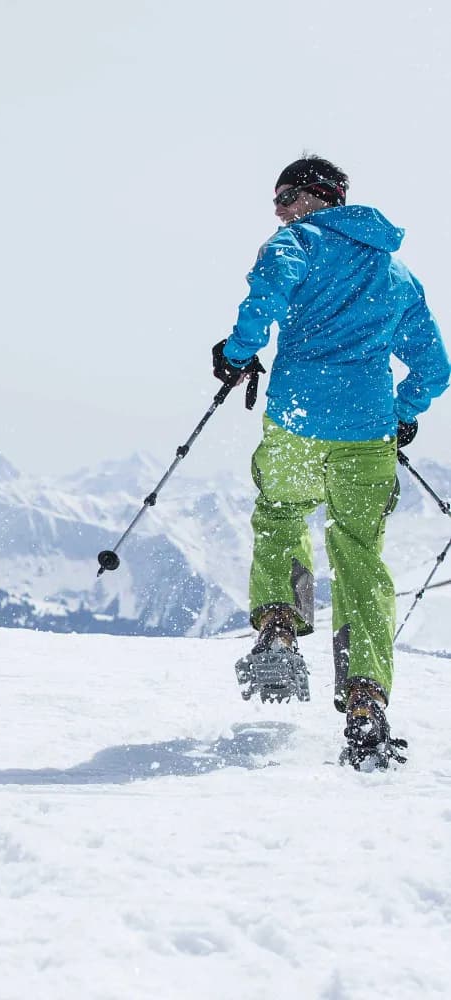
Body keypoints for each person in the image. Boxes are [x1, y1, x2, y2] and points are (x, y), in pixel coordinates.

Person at [217, 154, 449, 769]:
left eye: (283, 196)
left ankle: (280, 626)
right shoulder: (395, 272)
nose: (277, 209)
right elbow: (434, 367)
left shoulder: (294, 242)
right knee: (359, 558)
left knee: (282, 516)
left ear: (314, 195)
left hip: (295, 418)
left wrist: (236, 351)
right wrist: (402, 411)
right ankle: (366, 700)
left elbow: (264, 299)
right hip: (367, 432)